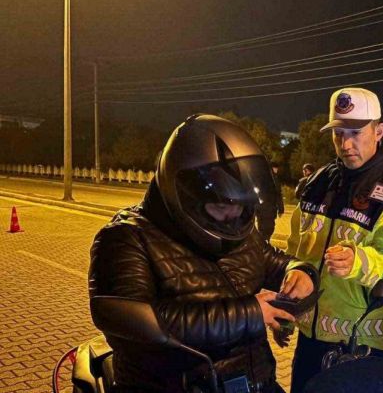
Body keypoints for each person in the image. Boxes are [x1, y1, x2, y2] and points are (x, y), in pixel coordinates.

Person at [88, 114, 318, 393]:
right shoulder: (126, 239)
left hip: (256, 384)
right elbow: (138, 325)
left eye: (242, 206)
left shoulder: (238, 231)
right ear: (186, 194)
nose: (234, 216)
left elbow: (275, 262)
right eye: (222, 206)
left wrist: (301, 272)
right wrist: (249, 314)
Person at [284, 87, 383, 392]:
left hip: (359, 345)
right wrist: (287, 309)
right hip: (310, 339)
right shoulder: (316, 184)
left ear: (379, 131)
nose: (345, 144)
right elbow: (295, 251)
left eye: (356, 133)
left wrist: (358, 261)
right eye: (338, 134)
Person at [256, 161, 285, 242]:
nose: (277, 170)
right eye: (276, 168)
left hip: (260, 208)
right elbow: (278, 194)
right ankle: (264, 244)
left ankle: (262, 243)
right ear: (273, 168)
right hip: (269, 208)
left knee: (261, 228)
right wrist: (281, 209)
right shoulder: (273, 179)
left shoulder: (259, 176)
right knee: (268, 228)